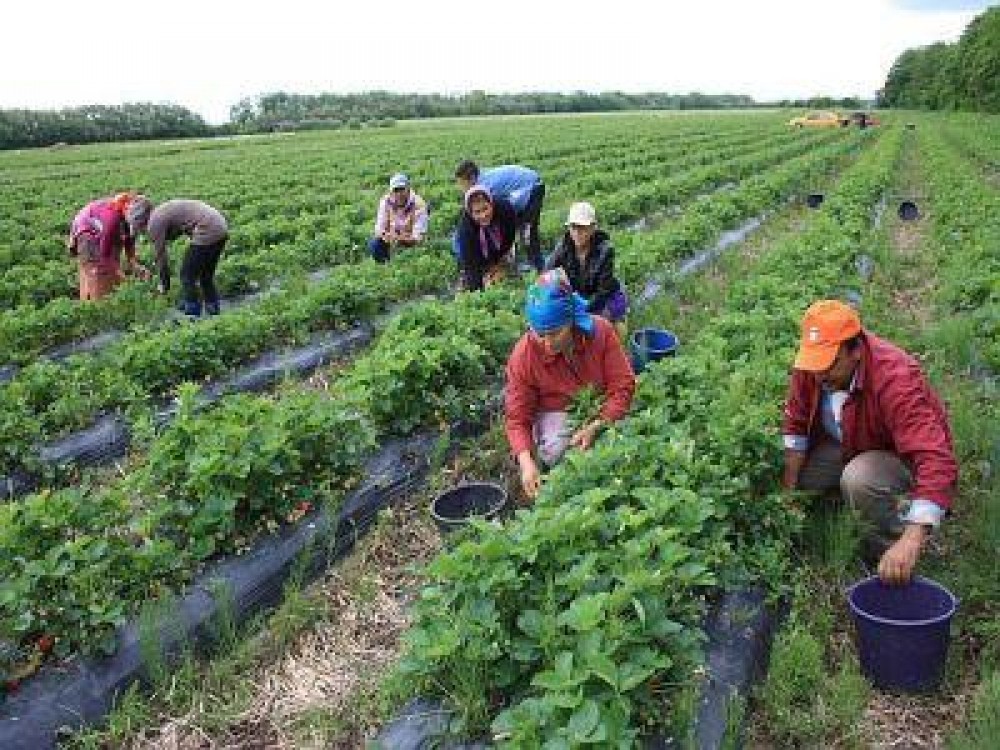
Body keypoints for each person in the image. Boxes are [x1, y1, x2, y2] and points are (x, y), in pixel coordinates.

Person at [781, 299, 958, 584]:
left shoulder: (895, 378)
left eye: (829, 365)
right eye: (815, 364)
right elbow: (796, 428)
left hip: (892, 452)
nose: (819, 375)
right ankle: (855, 511)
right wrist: (788, 496)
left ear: (856, 351)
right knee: (802, 478)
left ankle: (890, 554)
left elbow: (934, 457)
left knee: (859, 479)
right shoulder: (814, 366)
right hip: (847, 440)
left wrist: (912, 539)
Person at [505, 269, 636, 500]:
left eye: (555, 333)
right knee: (559, 450)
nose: (547, 343)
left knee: (623, 440)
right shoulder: (523, 356)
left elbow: (623, 385)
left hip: (600, 402)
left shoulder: (601, 332)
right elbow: (517, 418)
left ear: (571, 320)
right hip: (556, 410)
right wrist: (526, 463)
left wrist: (598, 424)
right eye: (540, 334)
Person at [126, 197, 229, 317]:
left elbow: (161, 259)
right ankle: (214, 311)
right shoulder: (160, 212)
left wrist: (164, 285)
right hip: (220, 227)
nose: (141, 232)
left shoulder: (154, 222)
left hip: (207, 229)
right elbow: (180, 229)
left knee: (187, 276)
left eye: (138, 228)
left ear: (141, 220)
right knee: (205, 276)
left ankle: (192, 315)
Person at [544, 201, 629, 340]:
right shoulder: (563, 247)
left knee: (604, 328)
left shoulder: (605, 251)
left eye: (582, 228)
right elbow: (547, 273)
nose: (577, 233)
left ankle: (615, 328)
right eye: (573, 227)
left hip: (602, 296)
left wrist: (582, 310)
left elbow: (603, 291)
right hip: (580, 295)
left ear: (592, 228)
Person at [454, 160, 545, 271]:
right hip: (521, 189)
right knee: (512, 227)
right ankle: (514, 262)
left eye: (462, 183)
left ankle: (539, 268)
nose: (461, 188)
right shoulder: (481, 179)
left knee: (527, 232)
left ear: (472, 178)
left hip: (532, 188)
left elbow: (497, 214)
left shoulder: (486, 187)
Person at [66, 193, 149, 301]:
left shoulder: (126, 215)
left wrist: (133, 262)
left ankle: (100, 293)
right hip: (87, 234)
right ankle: (94, 302)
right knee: (98, 273)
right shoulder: (112, 220)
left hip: (101, 231)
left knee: (110, 273)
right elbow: (104, 255)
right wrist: (118, 274)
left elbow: (129, 238)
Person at [455, 185, 517, 291]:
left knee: (500, 263)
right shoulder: (466, 230)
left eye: (485, 209)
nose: (483, 215)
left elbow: (509, 237)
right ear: (471, 213)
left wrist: (498, 261)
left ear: (491, 204)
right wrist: (478, 293)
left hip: (496, 234)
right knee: (469, 263)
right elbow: (471, 266)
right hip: (473, 243)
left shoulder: (505, 209)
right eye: (477, 212)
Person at [367, 173, 429, 263]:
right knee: (374, 244)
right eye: (396, 190)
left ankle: (409, 263)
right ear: (391, 192)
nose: (399, 194)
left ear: (408, 189)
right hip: (391, 237)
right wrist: (385, 235)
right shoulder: (385, 201)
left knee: (415, 255)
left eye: (402, 189)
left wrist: (401, 239)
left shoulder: (419, 204)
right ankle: (385, 265)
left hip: (411, 240)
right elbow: (379, 228)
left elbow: (418, 238)